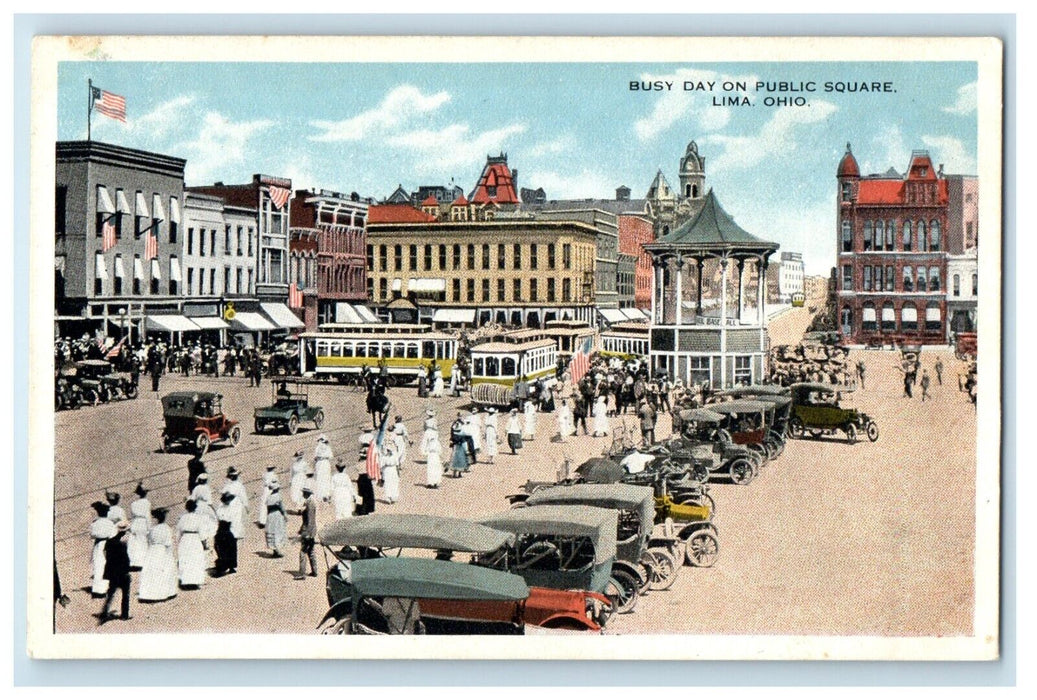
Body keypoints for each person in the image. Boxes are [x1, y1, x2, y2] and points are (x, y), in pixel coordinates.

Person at [138, 508, 177, 603]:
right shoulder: (167, 528)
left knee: (152, 571)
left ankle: (150, 593)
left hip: (152, 551)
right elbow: (168, 543)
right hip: (162, 550)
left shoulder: (152, 529)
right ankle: (164, 592)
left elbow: (149, 541)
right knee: (164, 570)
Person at [99, 521, 132, 624]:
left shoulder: (109, 542)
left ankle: (104, 612)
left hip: (112, 572)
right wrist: (127, 571)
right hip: (122, 573)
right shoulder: (122, 544)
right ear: (125, 532)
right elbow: (126, 560)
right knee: (125, 594)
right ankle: (124, 615)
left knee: (111, 593)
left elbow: (105, 553)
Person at [176, 499, 207, 589]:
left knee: (186, 560)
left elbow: (178, 532)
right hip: (195, 539)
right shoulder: (198, 518)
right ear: (195, 508)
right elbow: (202, 533)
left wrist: (179, 542)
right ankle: (195, 581)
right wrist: (204, 543)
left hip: (185, 539)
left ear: (187, 508)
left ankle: (185, 581)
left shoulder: (183, 518)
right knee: (195, 560)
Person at [89, 501, 117, 597]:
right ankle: (105, 589)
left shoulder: (95, 523)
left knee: (98, 566)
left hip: (98, 545)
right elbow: (114, 534)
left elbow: (92, 535)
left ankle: (97, 590)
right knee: (106, 566)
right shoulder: (110, 523)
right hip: (108, 545)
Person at [293, 485, 319, 579]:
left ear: (307, 493)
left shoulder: (309, 503)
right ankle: (314, 571)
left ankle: (302, 573)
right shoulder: (310, 502)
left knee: (303, 552)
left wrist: (308, 533)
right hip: (310, 530)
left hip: (308, 531)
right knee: (311, 551)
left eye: (304, 492)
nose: (303, 494)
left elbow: (310, 520)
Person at [213, 491, 239, 576]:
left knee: (222, 549)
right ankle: (231, 566)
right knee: (231, 549)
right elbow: (233, 521)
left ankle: (224, 565)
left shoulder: (219, 509)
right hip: (227, 529)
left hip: (221, 530)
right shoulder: (231, 509)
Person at [127, 482, 151, 570]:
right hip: (143, 522)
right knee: (143, 541)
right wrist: (149, 527)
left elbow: (132, 516)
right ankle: (143, 562)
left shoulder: (133, 504)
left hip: (135, 522)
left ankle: (135, 561)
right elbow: (147, 516)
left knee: (135, 542)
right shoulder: (147, 503)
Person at [221, 466, 249, 538]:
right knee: (237, 518)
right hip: (237, 502)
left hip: (229, 502)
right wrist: (246, 506)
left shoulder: (227, 485)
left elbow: (223, 493)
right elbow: (243, 497)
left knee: (230, 517)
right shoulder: (239, 485)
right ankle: (236, 534)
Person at [264, 480, 288, 557]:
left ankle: (274, 550)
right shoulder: (278, 496)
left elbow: (268, 509)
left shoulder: (269, 497)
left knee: (272, 531)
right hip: (277, 515)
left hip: (270, 515)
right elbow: (281, 507)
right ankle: (277, 550)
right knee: (278, 531)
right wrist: (285, 514)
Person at [313, 435, 334, 503]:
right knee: (326, 478)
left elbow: (315, 457)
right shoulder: (328, 447)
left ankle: (320, 495)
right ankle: (326, 494)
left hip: (319, 464)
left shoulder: (317, 448)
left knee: (319, 479)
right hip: (325, 463)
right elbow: (331, 456)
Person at [380, 440, 401, 505]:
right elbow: (381, 465)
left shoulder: (393, 456)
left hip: (392, 469)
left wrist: (398, 472)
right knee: (387, 483)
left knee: (393, 482)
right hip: (387, 470)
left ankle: (393, 496)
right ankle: (388, 497)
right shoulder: (384, 457)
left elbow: (397, 465)